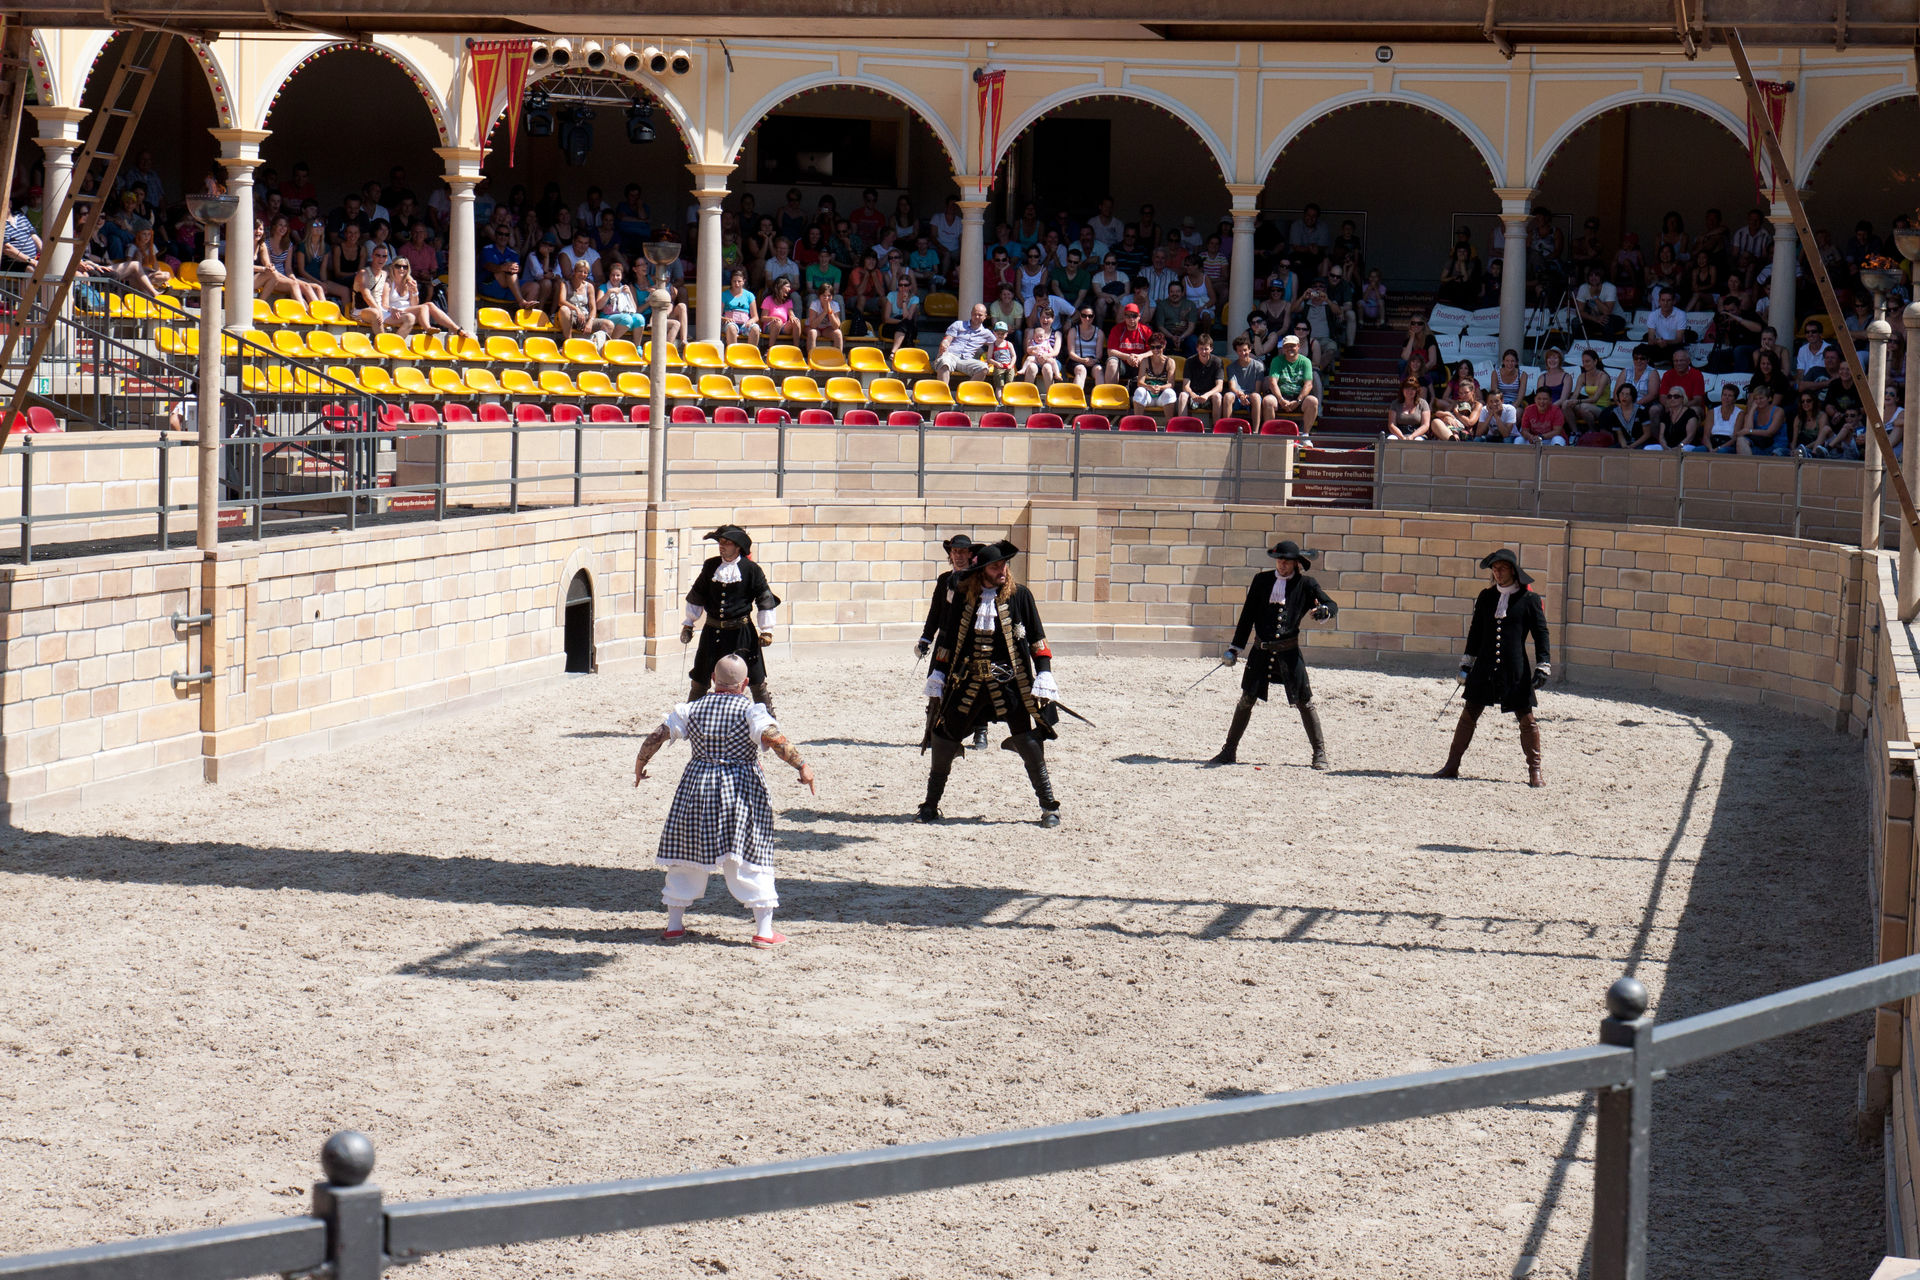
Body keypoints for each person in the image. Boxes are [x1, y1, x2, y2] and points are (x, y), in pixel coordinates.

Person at [634, 653, 814, 950]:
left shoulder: (691, 709)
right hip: (741, 788)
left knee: (687, 851)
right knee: (750, 853)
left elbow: (657, 735)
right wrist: (802, 766)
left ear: (713, 680)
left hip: (698, 786)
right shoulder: (751, 712)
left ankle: (674, 926)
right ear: (745, 683)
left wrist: (641, 762)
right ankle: (764, 931)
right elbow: (775, 739)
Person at [919, 540, 1064, 827]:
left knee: (1028, 740)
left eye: (1004, 566)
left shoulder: (1021, 596)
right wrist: (939, 673)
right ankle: (930, 805)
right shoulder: (963, 596)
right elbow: (948, 639)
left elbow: (1037, 638)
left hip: (1010, 683)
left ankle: (1049, 807)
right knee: (945, 738)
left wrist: (1044, 672)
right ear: (983, 571)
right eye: (996, 566)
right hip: (968, 682)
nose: (1002, 571)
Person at [1207, 538, 1339, 768]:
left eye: (1286, 561)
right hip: (1261, 652)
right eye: (1279, 560)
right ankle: (1228, 751)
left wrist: (1323, 611)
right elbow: (1247, 615)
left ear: (1296, 562)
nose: (1282, 564)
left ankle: (1319, 754)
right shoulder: (1261, 581)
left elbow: (1331, 605)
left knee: (1305, 702)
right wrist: (1235, 648)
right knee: (1246, 699)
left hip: (1289, 654)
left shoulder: (1306, 584)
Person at [1434, 548, 1551, 787]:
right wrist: (1467, 663)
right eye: (1494, 569)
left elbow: (1541, 634)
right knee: (1468, 715)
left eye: (1502, 568)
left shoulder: (1529, 599)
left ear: (1513, 571)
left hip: (1515, 669)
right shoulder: (1486, 597)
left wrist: (1543, 665)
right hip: (1484, 667)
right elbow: (1475, 632)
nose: (1497, 572)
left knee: (1526, 719)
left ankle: (1535, 772)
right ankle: (1452, 765)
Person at [681, 526, 781, 712]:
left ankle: (768, 721)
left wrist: (767, 630)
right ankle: (688, 717)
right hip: (712, 633)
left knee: (756, 680)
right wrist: (689, 623)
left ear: (738, 546)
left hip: (742, 634)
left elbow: (765, 599)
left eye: (727, 543)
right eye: (720, 542)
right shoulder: (710, 566)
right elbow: (697, 594)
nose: (722, 546)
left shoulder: (752, 570)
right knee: (700, 678)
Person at [1266, 334, 1320, 431]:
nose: (1289, 348)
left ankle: (1305, 434)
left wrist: (1298, 401)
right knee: (1268, 400)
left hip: (1299, 397)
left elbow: (1308, 384)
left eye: (1292, 346)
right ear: (1283, 348)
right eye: (1286, 346)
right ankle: (1271, 433)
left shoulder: (1306, 361)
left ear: (1298, 346)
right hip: (1280, 396)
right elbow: (1273, 382)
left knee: (1313, 401)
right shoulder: (1276, 360)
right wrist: (1281, 400)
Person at [936, 302, 994, 385]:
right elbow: (948, 339)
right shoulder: (958, 324)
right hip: (950, 355)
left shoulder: (986, 333)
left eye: (980, 315)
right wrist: (945, 342)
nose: (977, 317)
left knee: (983, 368)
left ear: (985, 316)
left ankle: (966, 390)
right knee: (944, 361)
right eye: (974, 314)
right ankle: (943, 391)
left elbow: (998, 344)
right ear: (971, 313)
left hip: (966, 360)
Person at [1178, 333, 1225, 419]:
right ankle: (1183, 424)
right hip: (1194, 395)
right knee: (1182, 395)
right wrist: (1192, 394)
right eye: (1201, 348)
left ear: (1211, 349)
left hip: (1209, 396)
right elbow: (1185, 385)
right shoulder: (1189, 361)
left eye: (1206, 349)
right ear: (1197, 348)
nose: (1203, 352)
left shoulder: (1217, 362)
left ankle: (1216, 425)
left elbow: (1219, 386)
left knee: (1217, 396)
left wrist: (1206, 395)